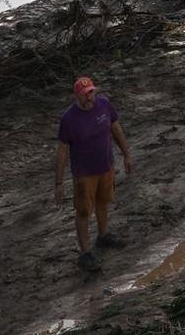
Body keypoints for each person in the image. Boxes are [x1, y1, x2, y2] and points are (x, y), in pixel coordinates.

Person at [54, 75, 133, 271]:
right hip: (84, 174)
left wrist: (126, 154)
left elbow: (116, 128)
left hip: (106, 166)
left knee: (103, 201)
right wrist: (58, 183)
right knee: (83, 211)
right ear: (77, 97)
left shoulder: (104, 105)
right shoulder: (68, 119)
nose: (89, 97)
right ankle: (85, 253)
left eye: (91, 92)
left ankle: (103, 236)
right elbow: (62, 151)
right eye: (85, 95)